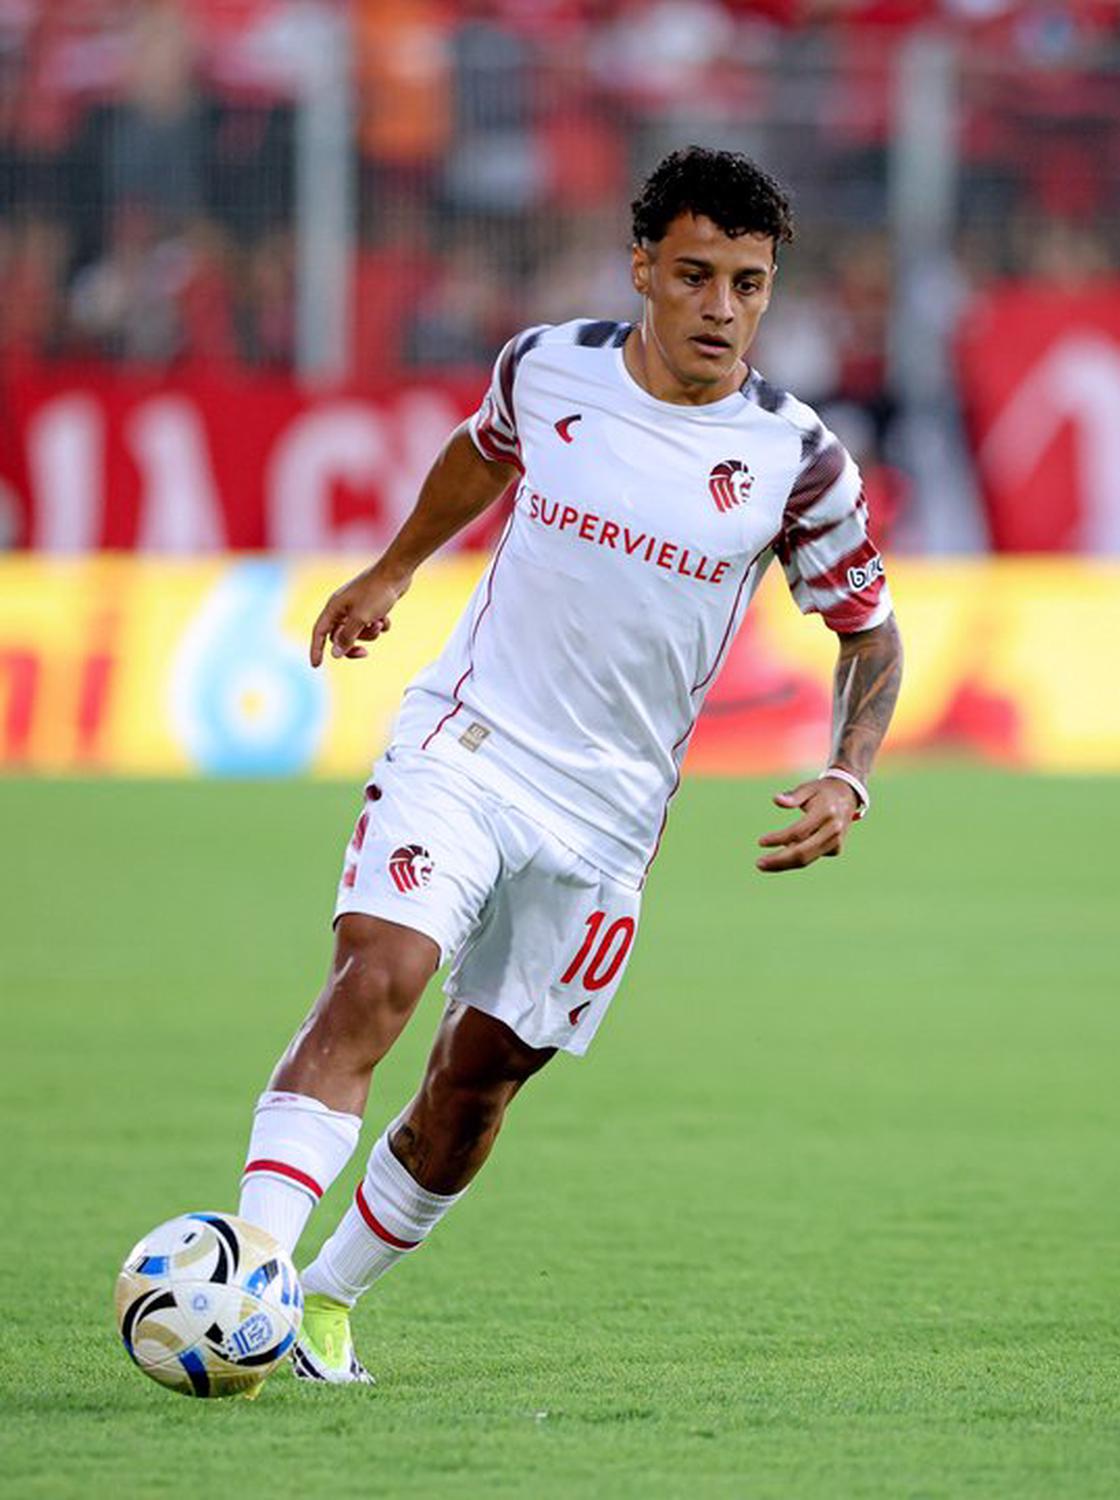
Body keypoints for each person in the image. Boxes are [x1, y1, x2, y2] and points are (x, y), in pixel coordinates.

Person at [236, 146, 903, 1385]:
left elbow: (869, 630)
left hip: (607, 817)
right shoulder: (550, 367)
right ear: (642, 267)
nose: (721, 308)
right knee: (380, 978)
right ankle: (252, 1278)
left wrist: (845, 773)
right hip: (469, 742)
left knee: (476, 1084)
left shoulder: (797, 460)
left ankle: (326, 1298)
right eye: (695, 275)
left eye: (749, 285)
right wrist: (394, 569)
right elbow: (483, 451)